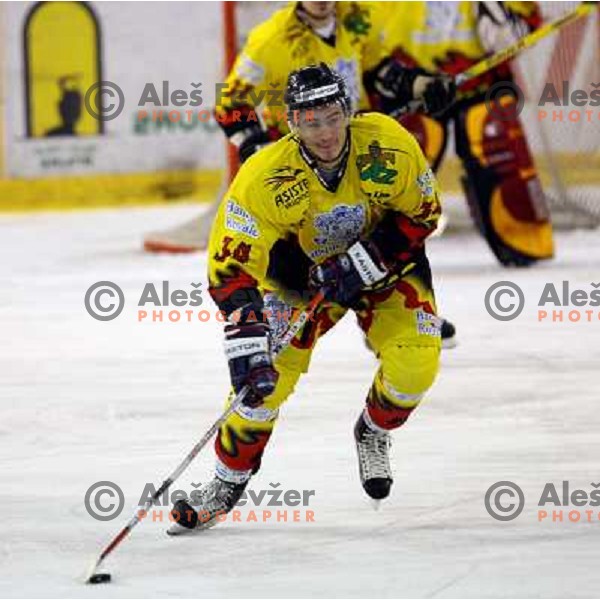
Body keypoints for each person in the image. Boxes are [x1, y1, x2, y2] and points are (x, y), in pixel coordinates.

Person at [168, 63, 442, 534]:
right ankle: (224, 483)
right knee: (260, 385)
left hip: (385, 268)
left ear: (348, 111)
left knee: (417, 365)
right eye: (311, 122)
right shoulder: (265, 175)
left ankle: (373, 431)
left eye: (333, 117)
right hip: (300, 282)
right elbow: (232, 263)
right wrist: (247, 328)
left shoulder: (389, 145)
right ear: (291, 124)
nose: (326, 133)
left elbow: (424, 214)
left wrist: (365, 260)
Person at [143, 1, 453, 254]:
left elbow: (378, 69)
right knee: (301, 258)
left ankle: (405, 316)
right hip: (302, 160)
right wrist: (256, 146)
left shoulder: (355, 18)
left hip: (354, 147)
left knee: (382, 237)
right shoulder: (271, 39)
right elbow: (232, 103)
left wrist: (419, 84)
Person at [382, 1, 554, 267]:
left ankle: (524, 241)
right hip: (416, 86)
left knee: (498, 146)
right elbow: (363, 36)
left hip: (481, 82)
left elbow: (527, 18)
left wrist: (514, 27)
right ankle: (377, 250)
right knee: (400, 165)